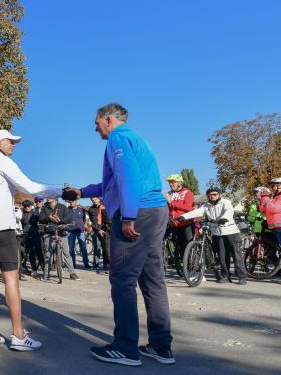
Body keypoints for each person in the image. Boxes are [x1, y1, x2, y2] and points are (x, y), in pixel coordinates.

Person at [63, 103, 173, 366]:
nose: (95, 127)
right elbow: (113, 182)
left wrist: (128, 216)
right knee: (152, 279)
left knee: (123, 279)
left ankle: (125, 348)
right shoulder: (134, 138)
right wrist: (82, 192)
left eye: (97, 121)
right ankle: (161, 346)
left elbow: (128, 177)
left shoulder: (118, 138)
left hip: (139, 211)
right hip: (156, 209)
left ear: (109, 119)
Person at [0, 128, 59, 352]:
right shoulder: (1, 160)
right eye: (10, 141)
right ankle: (18, 335)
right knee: (11, 280)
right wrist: (60, 191)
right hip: (1, 226)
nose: (14, 145)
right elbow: (29, 187)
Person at [177, 188, 247, 284]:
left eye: (215, 194)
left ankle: (241, 276)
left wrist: (224, 218)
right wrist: (184, 216)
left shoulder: (225, 202)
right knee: (222, 256)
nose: (213, 196)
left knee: (236, 255)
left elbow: (228, 211)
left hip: (231, 232)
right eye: (210, 195)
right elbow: (197, 212)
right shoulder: (207, 205)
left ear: (219, 195)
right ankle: (225, 276)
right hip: (217, 233)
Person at [41, 197, 78, 280]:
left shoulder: (62, 207)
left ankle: (72, 273)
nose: (47, 198)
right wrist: (49, 218)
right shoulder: (44, 207)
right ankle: (46, 273)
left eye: (50, 196)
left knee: (66, 253)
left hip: (61, 232)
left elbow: (69, 218)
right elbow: (41, 218)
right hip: (49, 232)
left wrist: (59, 220)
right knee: (48, 254)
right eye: (46, 196)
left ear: (54, 198)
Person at [166, 174, 195, 261]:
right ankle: (184, 266)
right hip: (173, 224)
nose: (171, 184)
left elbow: (188, 207)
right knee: (178, 245)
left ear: (180, 183)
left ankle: (193, 263)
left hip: (186, 223)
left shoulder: (187, 192)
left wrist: (171, 202)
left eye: (173, 182)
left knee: (188, 245)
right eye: (169, 183)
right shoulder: (169, 194)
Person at [67, 197, 90, 270]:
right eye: (70, 202)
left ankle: (86, 263)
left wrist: (84, 225)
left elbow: (84, 219)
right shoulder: (67, 210)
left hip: (80, 231)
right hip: (70, 232)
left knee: (83, 247)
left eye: (72, 201)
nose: (71, 203)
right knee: (71, 249)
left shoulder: (81, 210)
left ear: (76, 202)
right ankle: (73, 263)